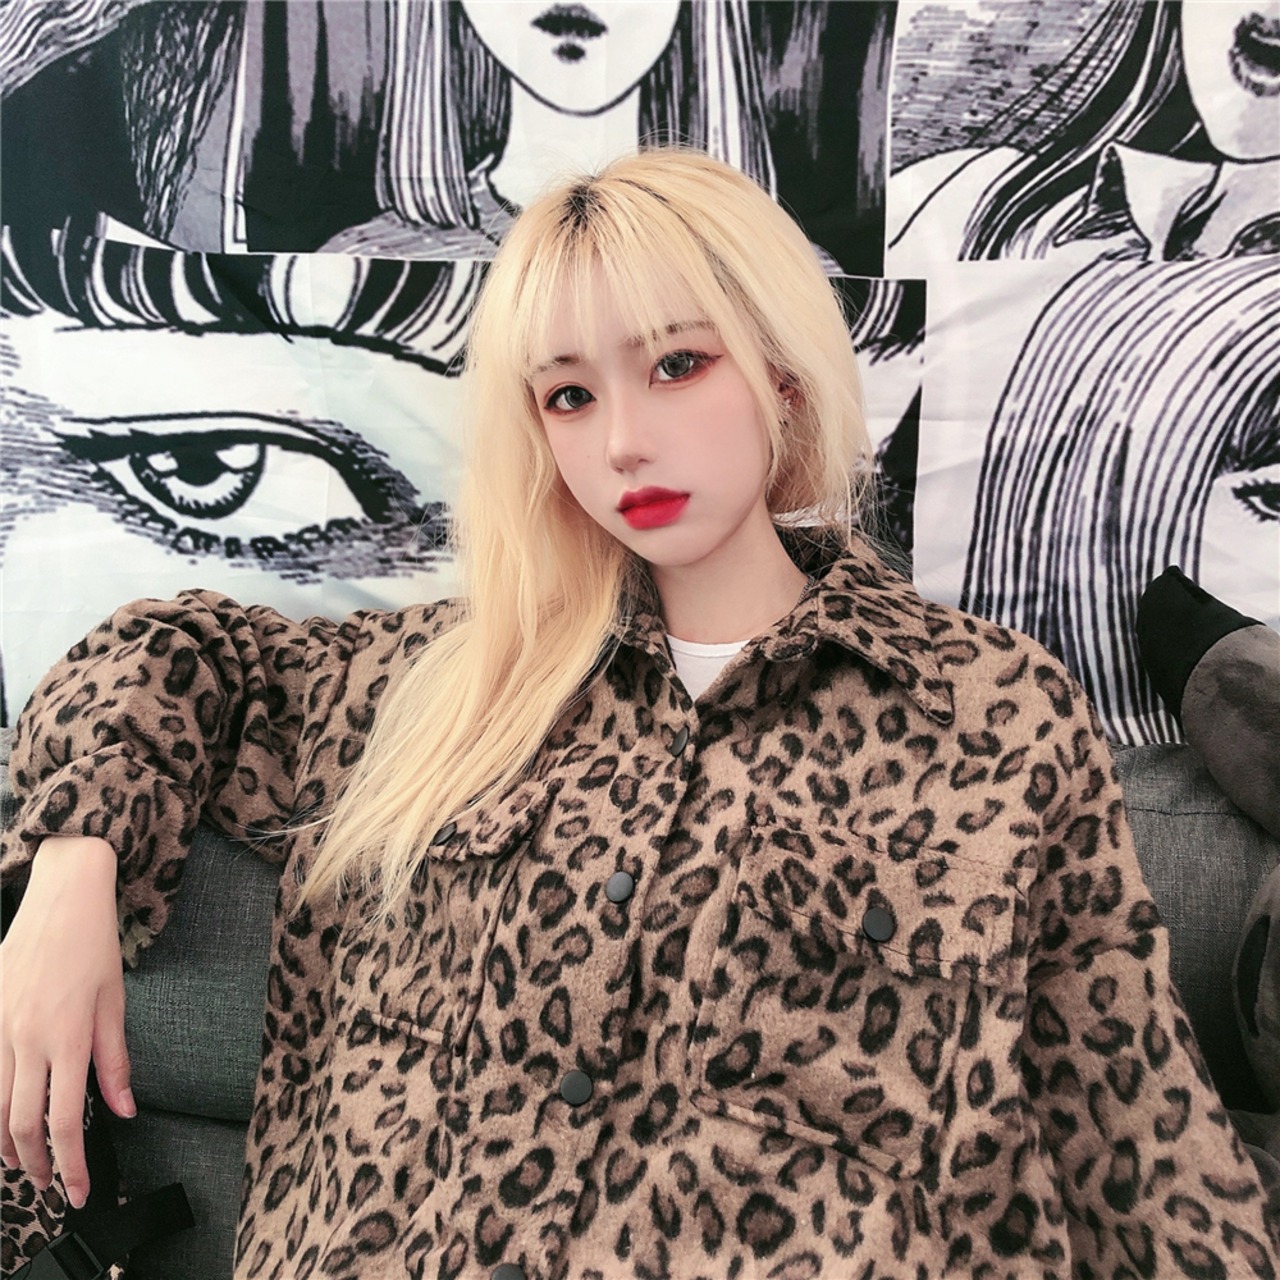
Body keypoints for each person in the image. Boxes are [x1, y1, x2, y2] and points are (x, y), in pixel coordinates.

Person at [2, 149, 1276, 1278]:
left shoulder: (988, 712)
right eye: (568, 394)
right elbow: (177, 650)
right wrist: (71, 865)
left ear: (779, 376)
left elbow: (1134, 1134)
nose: (620, 441)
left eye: (675, 364)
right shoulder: (446, 681)